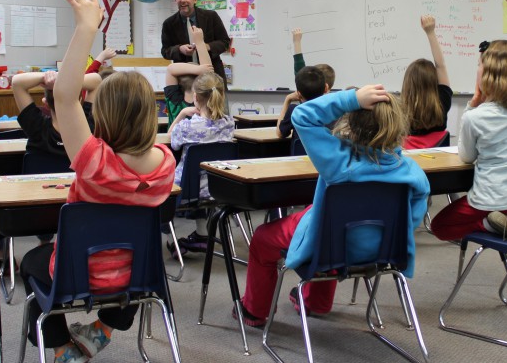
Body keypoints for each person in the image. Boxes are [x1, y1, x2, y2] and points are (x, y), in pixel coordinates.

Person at [19, 0, 175, 363]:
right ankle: (103, 329)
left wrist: (87, 28)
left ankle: (61, 349)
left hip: (77, 275)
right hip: (135, 278)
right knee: (134, 257)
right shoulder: (166, 164)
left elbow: (65, 95)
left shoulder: (91, 161)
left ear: (101, 112)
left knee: (32, 263)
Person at [236, 85, 430, 326]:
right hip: (381, 253)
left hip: (328, 250)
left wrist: (352, 98)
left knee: (264, 238)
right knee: (330, 220)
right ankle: (316, 303)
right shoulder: (413, 174)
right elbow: (408, 222)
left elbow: (301, 116)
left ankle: (255, 312)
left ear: (352, 122)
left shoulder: (339, 162)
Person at [430, 0, 507, 242]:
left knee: (440, 227)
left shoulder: (475, 117)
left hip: (487, 202)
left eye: (479, 64)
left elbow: (466, 157)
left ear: (487, 76)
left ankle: (493, 226)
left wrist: (473, 102)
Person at [168, 71, 235, 253]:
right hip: (219, 188)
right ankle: (201, 234)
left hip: (189, 189)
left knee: (168, 183)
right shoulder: (229, 124)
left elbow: (171, 140)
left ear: (195, 97)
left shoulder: (187, 126)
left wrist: (182, 114)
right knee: (199, 174)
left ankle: (169, 237)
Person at [11, 70, 101, 160]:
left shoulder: (37, 128)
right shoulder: (88, 128)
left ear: (46, 103)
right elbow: (97, 81)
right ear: (80, 100)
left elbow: (17, 82)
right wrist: (62, 78)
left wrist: (49, 77)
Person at [161, 0, 231, 82]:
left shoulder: (211, 17)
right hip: (185, 79)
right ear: (175, 0)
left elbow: (225, 42)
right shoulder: (169, 24)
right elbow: (165, 51)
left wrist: (205, 46)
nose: (183, 0)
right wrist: (180, 49)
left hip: (212, 76)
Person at [401, 15, 452, 149]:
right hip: (439, 165)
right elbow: (441, 65)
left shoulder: (400, 111)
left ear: (408, 85)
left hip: (411, 167)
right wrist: (430, 32)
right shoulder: (442, 103)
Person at [164, 26, 214, 125]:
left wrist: (198, 70)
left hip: (174, 140)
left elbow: (170, 69)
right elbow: (208, 72)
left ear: (179, 82)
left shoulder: (175, 100)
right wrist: (200, 42)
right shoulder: (204, 103)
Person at [276, 65, 328, 138]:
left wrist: (287, 99)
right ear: (326, 88)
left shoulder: (295, 111)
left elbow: (280, 133)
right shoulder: (333, 110)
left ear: (299, 94)